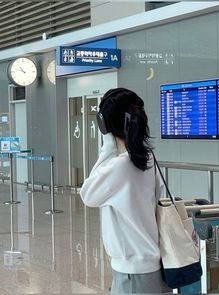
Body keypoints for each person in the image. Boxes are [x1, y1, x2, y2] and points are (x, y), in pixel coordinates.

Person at [80, 88, 167, 293]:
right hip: (148, 265)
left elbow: (88, 195)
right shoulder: (147, 159)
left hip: (132, 271)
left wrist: (107, 147)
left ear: (104, 125)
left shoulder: (120, 166)